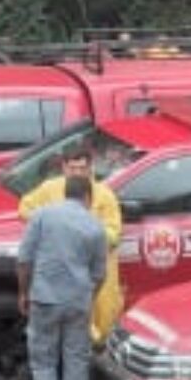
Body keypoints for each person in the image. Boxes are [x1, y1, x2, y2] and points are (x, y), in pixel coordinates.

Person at [16, 173, 111, 380]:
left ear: (65, 192)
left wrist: (23, 291)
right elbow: (100, 273)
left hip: (45, 297)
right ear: (88, 197)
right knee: (76, 361)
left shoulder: (43, 216)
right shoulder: (96, 227)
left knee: (43, 362)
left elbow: (24, 259)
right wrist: (89, 298)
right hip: (78, 300)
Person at [17, 146, 124, 342]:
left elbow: (115, 233)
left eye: (82, 168)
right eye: (72, 168)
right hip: (63, 270)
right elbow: (25, 207)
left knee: (101, 318)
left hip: (95, 271)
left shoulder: (105, 195)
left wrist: (87, 231)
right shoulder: (50, 188)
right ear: (64, 168)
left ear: (90, 168)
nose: (77, 173)